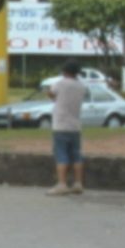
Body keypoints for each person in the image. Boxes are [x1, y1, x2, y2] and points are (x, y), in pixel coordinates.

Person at [47, 60, 86, 196]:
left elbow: (51, 94)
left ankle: (62, 184)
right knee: (76, 154)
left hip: (61, 124)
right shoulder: (81, 86)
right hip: (75, 125)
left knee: (61, 154)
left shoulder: (59, 84)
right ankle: (78, 183)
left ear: (64, 71)